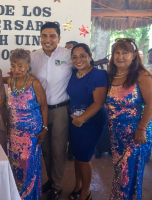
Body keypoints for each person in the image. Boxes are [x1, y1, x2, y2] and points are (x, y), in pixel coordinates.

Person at [31, 21, 72, 200]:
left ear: (59, 38)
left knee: (58, 148)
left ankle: (57, 185)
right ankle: (49, 179)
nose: (48, 40)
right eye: (44, 36)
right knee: (45, 148)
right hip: (39, 111)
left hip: (60, 109)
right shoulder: (32, 57)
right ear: (40, 37)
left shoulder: (69, 55)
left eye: (52, 36)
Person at [106, 38, 152, 199]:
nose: (120, 56)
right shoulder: (112, 75)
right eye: (116, 53)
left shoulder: (141, 75)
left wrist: (142, 128)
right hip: (117, 134)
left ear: (133, 55)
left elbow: (151, 102)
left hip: (136, 134)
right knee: (120, 174)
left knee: (128, 176)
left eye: (125, 53)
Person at [67, 43, 108, 200]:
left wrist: (81, 119)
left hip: (92, 122)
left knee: (84, 157)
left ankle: (86, 192)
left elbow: (98, 102)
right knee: (77, 156)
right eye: (75, 57)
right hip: (75, 120)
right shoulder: (74, 74)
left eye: (82, 55)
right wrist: (76, 120)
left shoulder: (99, 75)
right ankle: (78, 185)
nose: (78, 60)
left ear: (90, 56)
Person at [7, 49, 48, 199]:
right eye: (13, 66)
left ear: (28, 65)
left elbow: (44, 106)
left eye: (20, 66)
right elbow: (10, 109)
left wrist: (45, 128)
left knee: (28, 168)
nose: (16, 70)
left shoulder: (34, 83)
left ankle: (29, 197)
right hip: (14, 134)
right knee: (15, 166)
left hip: (31, 134)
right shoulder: (10, 81)